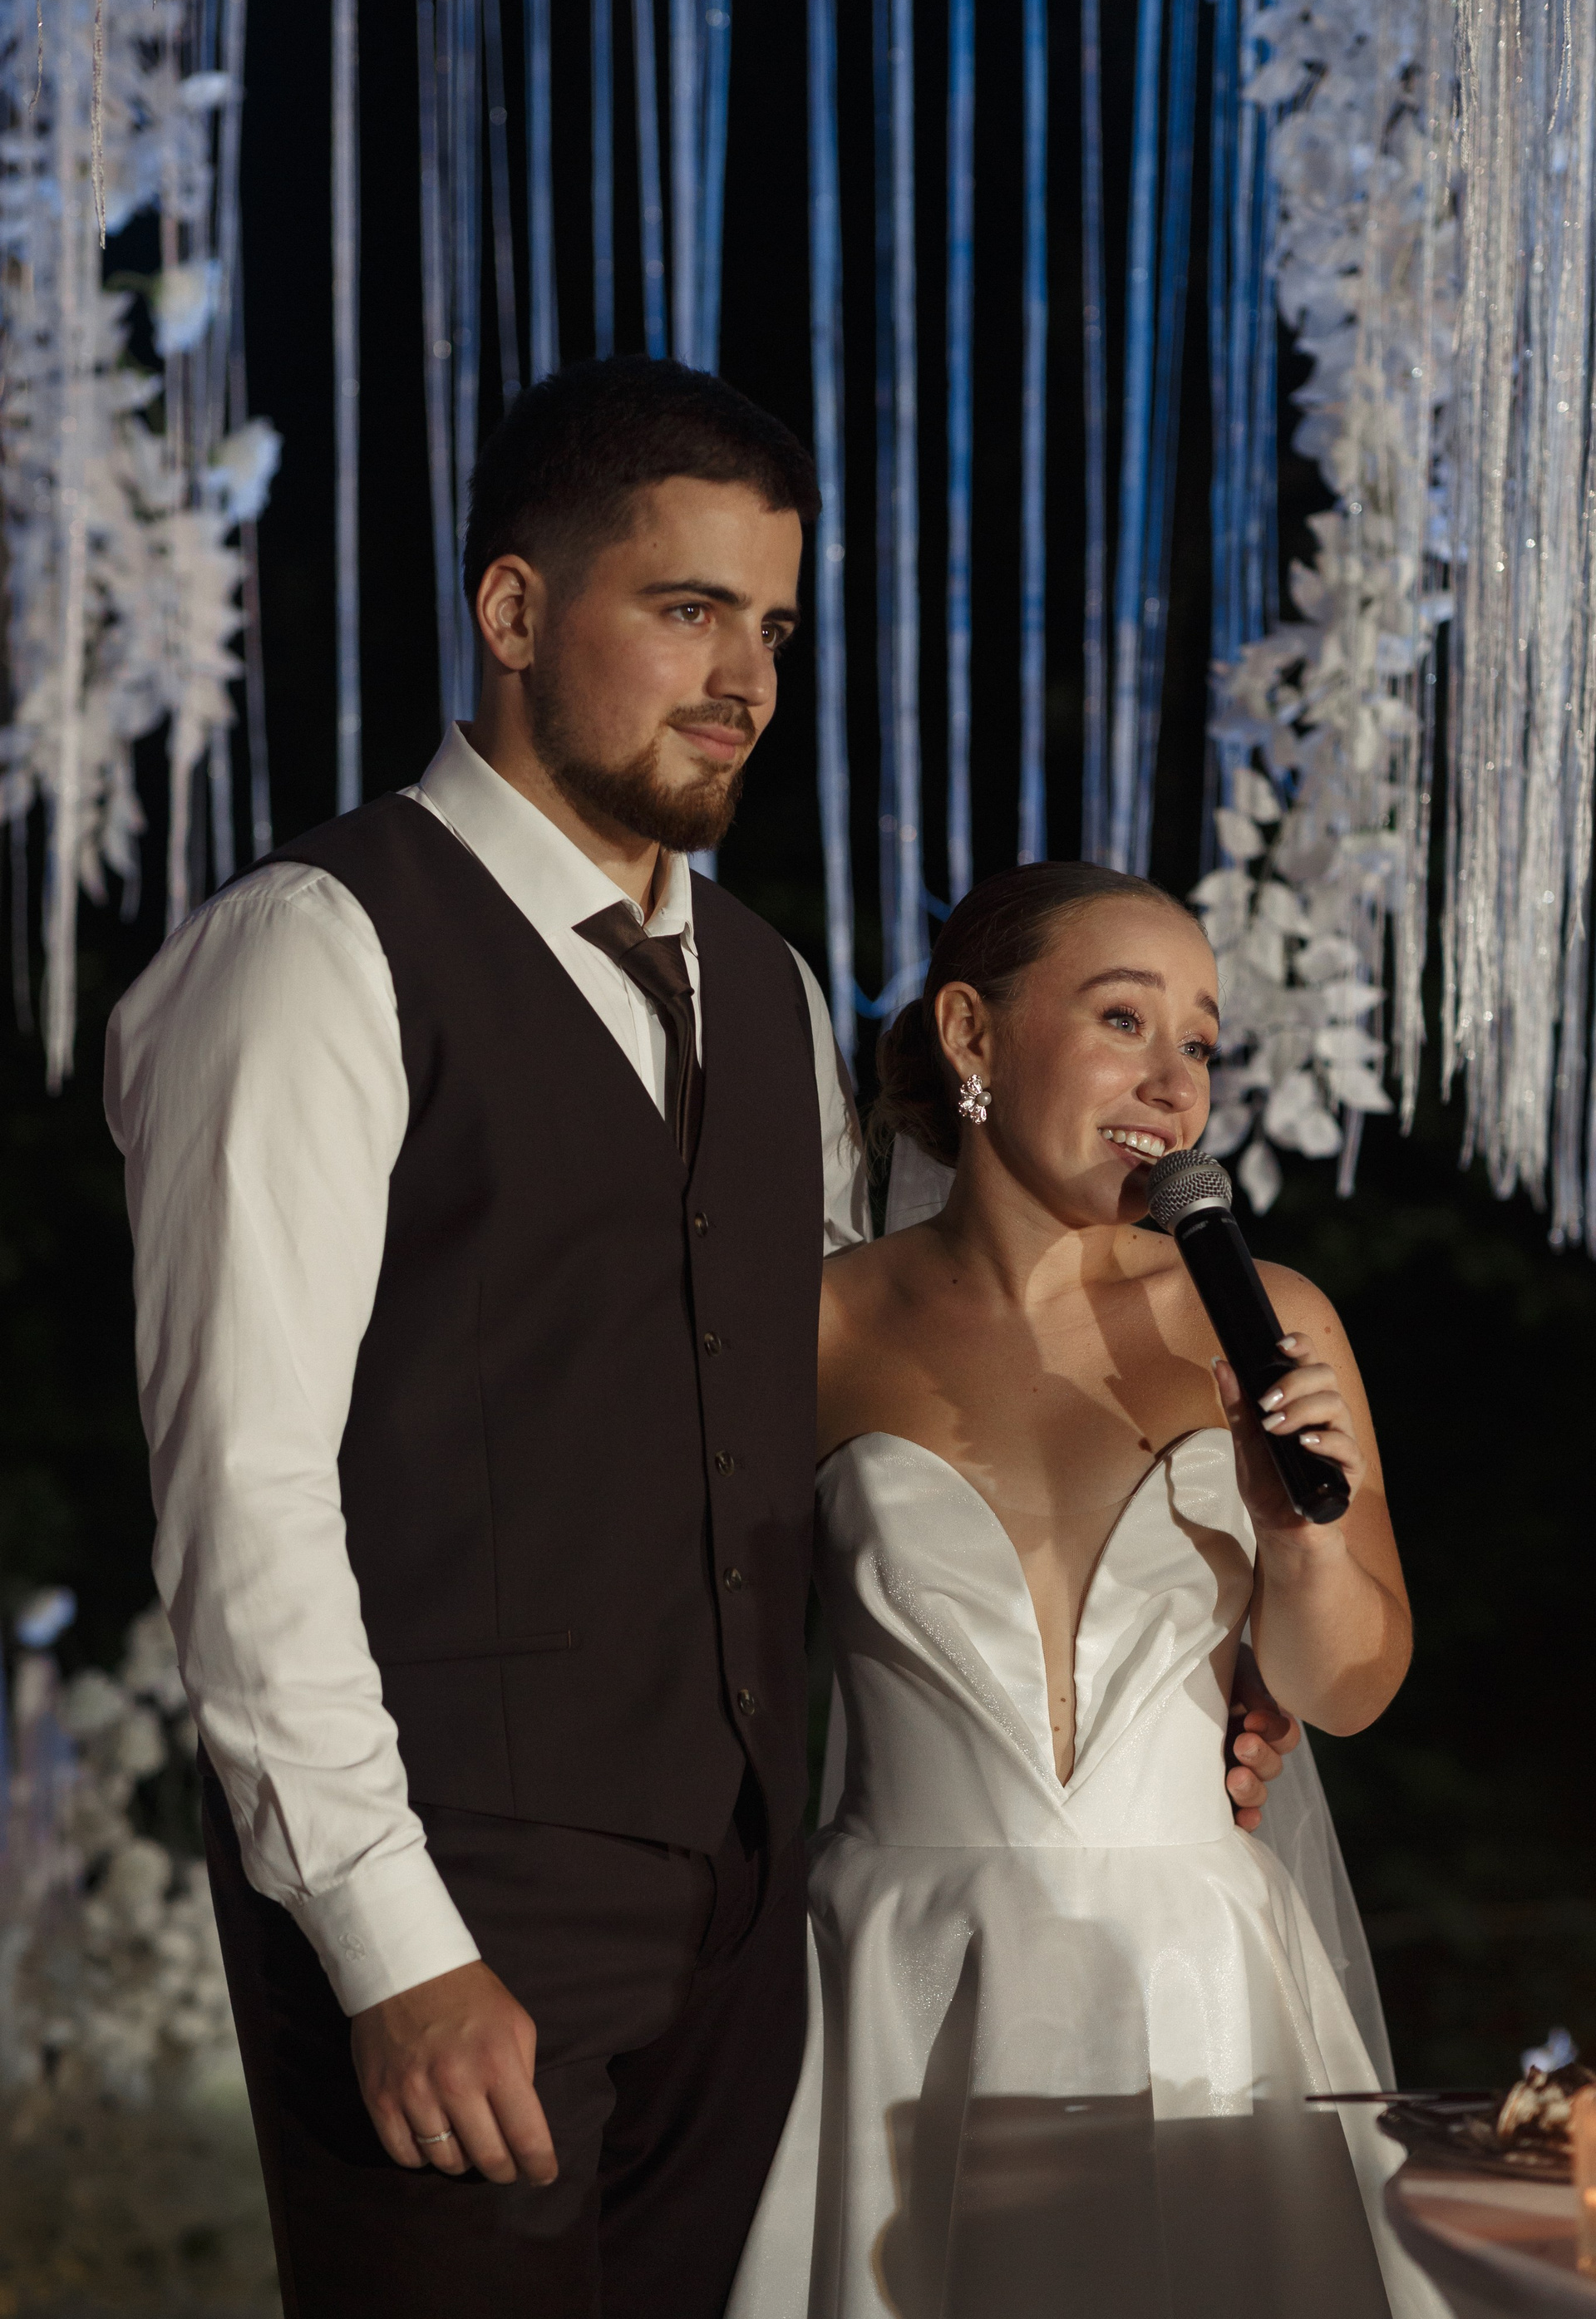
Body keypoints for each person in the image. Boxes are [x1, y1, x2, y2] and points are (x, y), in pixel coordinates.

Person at [106, 358, 1293, 2317]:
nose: (743, 678)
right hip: (453, 1907)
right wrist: (393, 1943)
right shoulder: (312, 952)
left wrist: (1175, 1658)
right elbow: (242, 1497)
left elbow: (842, 1419)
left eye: (774, 627)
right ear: (512, 612)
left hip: (748, 1941)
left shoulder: (766, 988)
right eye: (685, 611)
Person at [727, 861, 1449, 2319]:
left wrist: (1297, 1539)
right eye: (1125, 1020)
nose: (1174, 1084)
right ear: (972, 1035)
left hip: (1197, 1983)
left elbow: (1348, 1689)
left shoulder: (1271, 1319)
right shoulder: (814, 1326)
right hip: (898, 1976)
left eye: (1202, 1042)